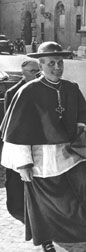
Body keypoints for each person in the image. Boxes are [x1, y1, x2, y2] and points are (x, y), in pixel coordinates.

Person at [0, 41, 86, 252]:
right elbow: (16, 133)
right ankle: (47, 240)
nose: (57, 67)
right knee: (44, 205)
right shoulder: (28, 92)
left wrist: (80, 137)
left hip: (71, 154)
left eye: (60, 62)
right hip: (42, 159)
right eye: (51, 63)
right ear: (40, 65)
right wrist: (23, 164)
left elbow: (80, 120)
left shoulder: (71, 88)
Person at [3, 59, 40, 223]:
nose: (38, 74)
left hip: (37, 141)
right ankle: (19, 209)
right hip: (19, 141)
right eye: (33, 72)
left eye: (38, 70)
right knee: (16, 178)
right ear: (23, 74)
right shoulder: (13, 92)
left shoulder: (41, 88)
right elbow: (11, 124)